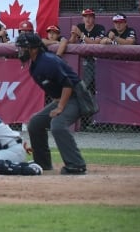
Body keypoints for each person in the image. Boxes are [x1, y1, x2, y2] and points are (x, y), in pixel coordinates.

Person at [16, 32, 87, 175]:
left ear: (34, 49)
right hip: (63, 98)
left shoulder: (47, 61)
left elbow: (68, 84)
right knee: (35, 123)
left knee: (58, 125)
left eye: (24, 47)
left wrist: (60, 107)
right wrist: (58, 101)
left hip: (77, 97)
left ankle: (76, 165)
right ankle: (42, 163)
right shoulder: (35, 65)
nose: (21, 51)